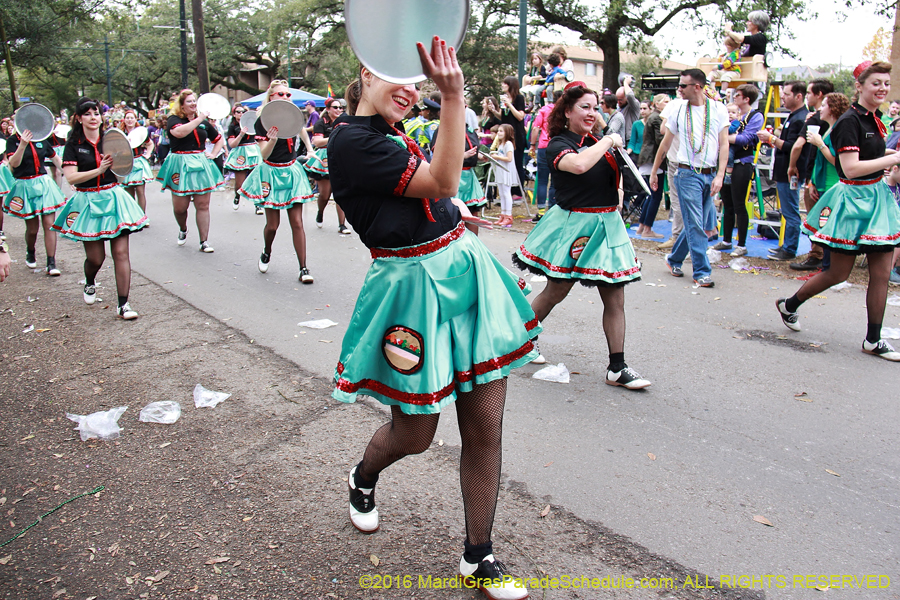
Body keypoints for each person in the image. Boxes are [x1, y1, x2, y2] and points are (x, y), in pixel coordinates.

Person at [330, 37, 537, 600]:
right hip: (412, 294)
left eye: (417, 82)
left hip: (464, 272)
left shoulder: (390, 132)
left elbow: (434, 193)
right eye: (398, 77)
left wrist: (451, 212)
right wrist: (452, 95)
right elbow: (441, 180)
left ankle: (479, 555)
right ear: (366, 72)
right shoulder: (351, 139)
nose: (410, 90)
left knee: (485, 428)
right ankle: (363, 475)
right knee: (416, 434)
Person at [513, 81, 649, 389]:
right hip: (575, 228)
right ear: (567, 111)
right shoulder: (558, 144)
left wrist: (617, 196)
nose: (591, 113)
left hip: (608, 226)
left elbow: (615, 178)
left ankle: (617, 367)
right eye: (584, 107)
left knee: (615, 297)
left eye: (595, 108)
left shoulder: (597, 141)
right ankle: (519, 339)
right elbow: (579, 165)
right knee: (556, 292)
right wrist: (609, 139)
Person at [776, 61, 900, 361]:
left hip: (877, 199)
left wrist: (889, 154)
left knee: (881, 273)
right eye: (876, 83)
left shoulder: (875, 118)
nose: (882, 88)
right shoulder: (849, 121)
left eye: (886, 83)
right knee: (837, 272)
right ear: (859, 86)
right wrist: (894, 158)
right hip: (852, 201)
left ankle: (873, 339)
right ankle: (789, 305)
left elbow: (869, 154)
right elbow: (851, 168)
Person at [52, 97, 148, 319]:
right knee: (96, 258)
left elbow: (124, 170)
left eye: (96, 113)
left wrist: (121, 162)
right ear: (79, 118)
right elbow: (71, 177)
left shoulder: (112, 139)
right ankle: (90, 281)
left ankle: (123, 304)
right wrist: (99, 169)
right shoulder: (73, 145)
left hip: (113, 197)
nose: (93, 118)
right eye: (87, 114)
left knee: (121, 253)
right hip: (86, 200)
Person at [650, 69, 730, 288]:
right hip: (686, 174)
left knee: (698, 223)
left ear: (697, 86)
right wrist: (655, 171)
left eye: (683, 85)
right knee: (696, 224)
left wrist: (720, 175)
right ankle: (702, 271)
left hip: (710, 173)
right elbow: (665, 143)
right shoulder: (678, 109)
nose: (679, 89)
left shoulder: (718, 109)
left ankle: (674, 258)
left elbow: (724, 144)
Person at [237, 81, 317, 282]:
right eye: (281, 94)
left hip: (291, 170)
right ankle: (266, 251)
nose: (286, 97)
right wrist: (272, 140)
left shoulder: (292, 114)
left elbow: (301, 129)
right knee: (273, 225)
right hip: (270, 172)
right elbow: (263, 155)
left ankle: (303, 268)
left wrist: (309, 149)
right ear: (271, 96)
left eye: (288, 94)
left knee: (297, 222)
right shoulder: (262, 120)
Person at [157, 88, 225, 253]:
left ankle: (204, 241)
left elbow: (219, 139)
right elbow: (179, 133)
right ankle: (183, 228)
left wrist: (213, 154)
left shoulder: (204, 123)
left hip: (200, 162)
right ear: (181, 105)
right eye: (189, 101)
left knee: (203, 205)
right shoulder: (174, 120)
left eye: (194, 100)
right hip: (180, 163)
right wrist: (200, 118)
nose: (193, 104)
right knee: (180, 208)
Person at [3, 124, 65, 275]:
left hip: (43, 183)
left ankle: (51, 263)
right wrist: (23, 144)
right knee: (32, 229)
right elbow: (14, 164)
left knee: (49, 224)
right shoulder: (12, 140)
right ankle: (30, 251)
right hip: (24, 185)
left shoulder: (41, 138)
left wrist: (73, 178)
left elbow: (56, 159)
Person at [758, 81, 810, 261]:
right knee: (787, 211)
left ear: (799, 96)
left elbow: (792, 146)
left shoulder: (800, 118)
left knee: (791, 211)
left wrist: (772, 139)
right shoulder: (794, 116)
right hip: (783, 171)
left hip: (791, 172)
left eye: (787, 94)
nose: (783, 98)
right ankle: (787, 245)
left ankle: (789, 249)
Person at [802, 92, 850, 277]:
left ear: (833, 109)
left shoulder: (839, 130)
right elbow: (818, 161)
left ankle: (829, 269)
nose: (820, 109)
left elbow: (838, 161)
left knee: (829, 228)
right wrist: (812, 183)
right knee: (823, 226)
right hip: (822, 185)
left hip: (833, 185)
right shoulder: (828, 128)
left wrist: (820, 144)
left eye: (824, 105)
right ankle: (826, 268)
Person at [790, 78, 836, 271]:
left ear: (820, 95)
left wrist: (792, 166)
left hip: (822, 179)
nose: (807, 96)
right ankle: (823, 258)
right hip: (819, 176)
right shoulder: (825, 121)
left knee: (817, 217)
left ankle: (817, 255)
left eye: (809, 92)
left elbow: (799, 145)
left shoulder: (817, 120)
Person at [712, 84, 763, 257]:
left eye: (738, 95)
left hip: (742, 163)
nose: (734, 97)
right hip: (726, 163)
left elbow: (745, 138)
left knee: (739, 203)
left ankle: (741, 244)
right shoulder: (730, 115)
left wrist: (724, 138)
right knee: (727, 203)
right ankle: (726, 240)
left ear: (747, 99)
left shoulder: (755, 116)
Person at [307, 96, 351, 235]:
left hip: (341, 156)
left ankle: (342, 224)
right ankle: (320, 212)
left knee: (340, 193)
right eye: (335, 107)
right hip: (324, 159)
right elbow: (317, 142)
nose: (339, 110)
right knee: (325, 195)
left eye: (341, 108)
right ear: (328, 109)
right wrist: (336, 136)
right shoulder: (321, 123)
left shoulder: (344, 121)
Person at [636, 95, 669, 239]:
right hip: (652, 158)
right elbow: (660, 140)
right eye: (665, 102)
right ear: (657, 104)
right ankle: (647, 228)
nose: (668, 104)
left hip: (649, 158)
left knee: (651, 195)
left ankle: (642, 226)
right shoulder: (657, 118)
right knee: (655, 195)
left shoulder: (653, 117)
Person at [487, 76, 527, 193]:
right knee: (505, 162)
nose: (503, 85)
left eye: (505, 83)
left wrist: (509, 104)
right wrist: (494, 111)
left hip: (516, 135)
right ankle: (508, 190)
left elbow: (520, 116)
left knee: (517, 163)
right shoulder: (504, 99)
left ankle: (518, 191)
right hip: (505, 135)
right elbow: (504, 118)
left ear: (511, 85)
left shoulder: (519, 98)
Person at [224, 103, 262, 211]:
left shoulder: (252, 123)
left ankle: (257, 204)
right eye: (238, 112)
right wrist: (241, 134)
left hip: (253, 151)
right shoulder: (233, 126)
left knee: (256, 179)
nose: (241, 113)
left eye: (243, 112)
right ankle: (237, 197)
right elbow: (232, 144)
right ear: (234, 114)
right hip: (240, 153)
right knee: (240, 183)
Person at [529, 89, 562, 212]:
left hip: (544, 146)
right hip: (558, 146)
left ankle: (541, 210)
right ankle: (553, 208)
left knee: (542, 180)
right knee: (554, 180)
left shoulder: (544, 110)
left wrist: (533, 145)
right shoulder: (563, 111)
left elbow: (535, 128)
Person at [120, 109, 154, 214]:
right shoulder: (120, 133)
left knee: (140, 191)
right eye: (127, 118)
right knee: (129, 193)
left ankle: (142, 216)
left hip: (138, 162)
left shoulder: (140, 132)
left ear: (136, 120)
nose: (130, 120)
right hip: (126, 163)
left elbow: (150, 144)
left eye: (132, 118)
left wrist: (148, 154)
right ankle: (132, 216)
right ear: (124, 120)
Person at [491, 123, 516, 227]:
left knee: (506, 193)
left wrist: (497, 157)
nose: (499, 133)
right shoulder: (500, 144)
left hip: (506, 171)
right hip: (500, 171)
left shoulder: (508, 144)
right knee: (501, 193)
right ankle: (503, 214)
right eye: (498, 131)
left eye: (501, 131)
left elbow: (509, 158)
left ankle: (508, 215)